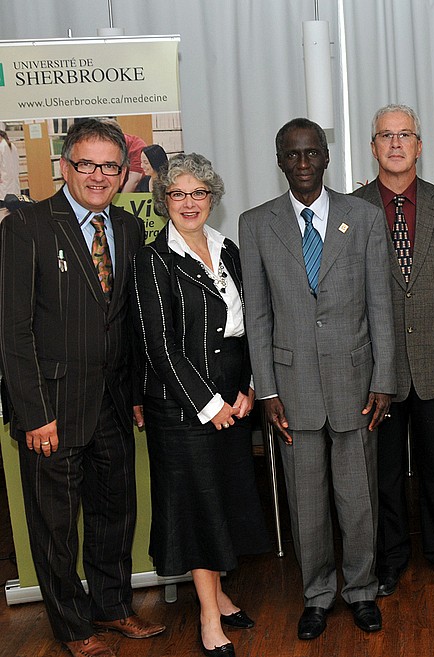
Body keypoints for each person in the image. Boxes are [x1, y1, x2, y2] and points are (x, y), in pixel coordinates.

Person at [0, 118, 164, 657]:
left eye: (109, 166)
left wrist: (137, 392)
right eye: (86, 163)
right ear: (64, 167)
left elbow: (128, 321)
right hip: (52, 408)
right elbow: (14, 331)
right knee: (54, 529)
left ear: (122, 174)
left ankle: (113, 608)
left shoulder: (126, 228)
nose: (98, 174)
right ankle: (73, 627)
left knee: (115, 515)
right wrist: (32, 413)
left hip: (115, 404)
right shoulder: (26, 226)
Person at [239, 117, 395, 639]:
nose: (303, 164)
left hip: (356, 383)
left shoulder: (364, 217)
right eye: (292, 155)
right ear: (280, 160)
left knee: (358, 498)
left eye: (311, 154)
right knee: (306, 502)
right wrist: (268, 390)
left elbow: (381, 305)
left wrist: (384, 379)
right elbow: (257, 315)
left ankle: (361, 590)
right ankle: (317, 596)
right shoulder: (257, 223)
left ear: (326, 157)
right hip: (292, 388)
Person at [132, 153, 270, 657]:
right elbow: (160, 346)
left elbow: (252, 323)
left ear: (213, 198)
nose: (189, 203)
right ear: (163, 200)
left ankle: (221, 593)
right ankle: (210, 619)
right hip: (183, 402)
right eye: (178, 194)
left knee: (227, 498)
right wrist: (209, 404)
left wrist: (249, 384)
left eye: (199, 193)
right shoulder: (153, 259)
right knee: (199, 506)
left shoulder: (228, 248)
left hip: (233, 393)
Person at [352, 104, 434, 596]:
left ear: (419, 145)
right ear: (372, 148)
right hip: (377, 370)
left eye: (404, 134)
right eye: (384, 136)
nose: (395, 143)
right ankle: (389, 559)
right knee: (382, 474)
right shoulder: (351, 210)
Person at [0, 125, 20, 197]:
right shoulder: (12, 145)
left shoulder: (1, 146)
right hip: (13, 177)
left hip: (4, 178)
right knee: (14, 197)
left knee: (5, 198)